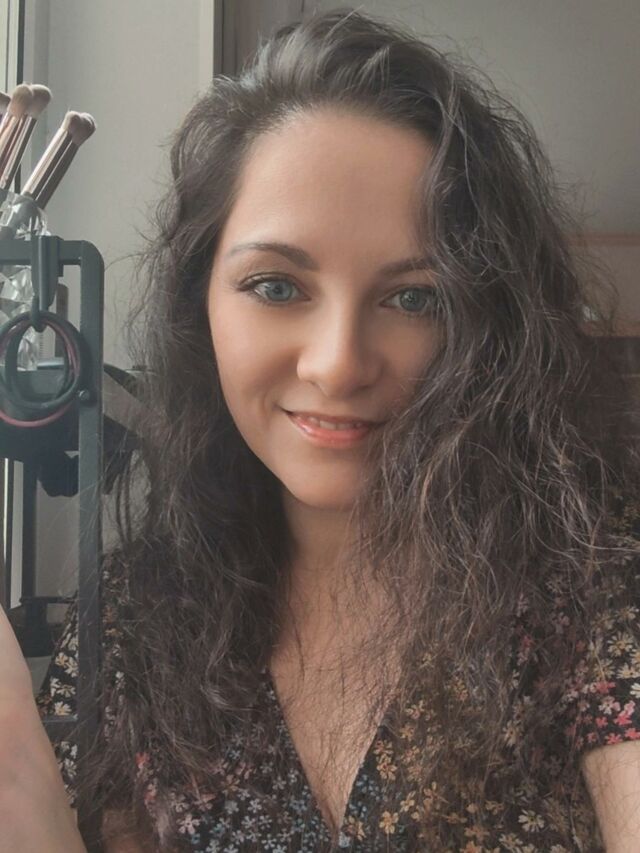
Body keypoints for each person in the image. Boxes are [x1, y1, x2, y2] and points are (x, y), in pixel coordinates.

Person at [2, 6, 640, 851]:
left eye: (415, 297)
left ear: (489, 323)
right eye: (276, 286)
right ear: (200, 302)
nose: (338, 365)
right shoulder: (137, 617)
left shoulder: (592, 578)